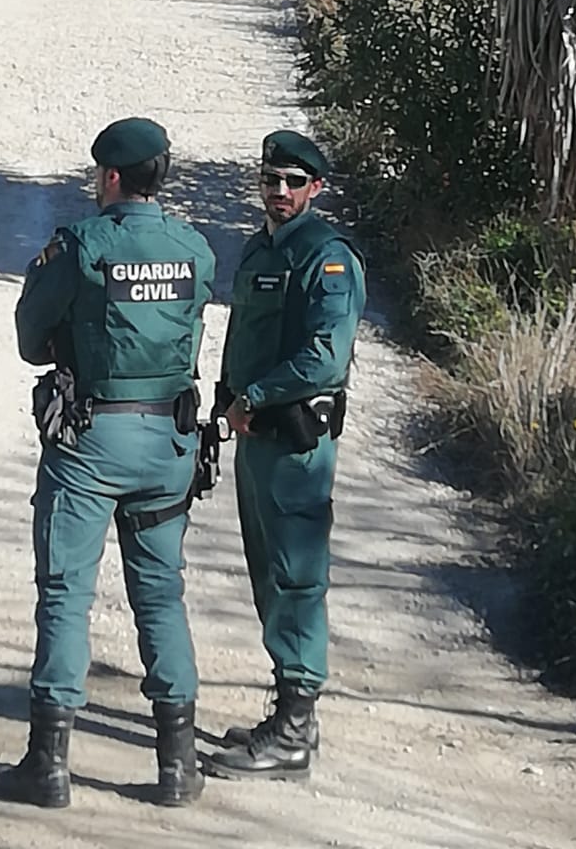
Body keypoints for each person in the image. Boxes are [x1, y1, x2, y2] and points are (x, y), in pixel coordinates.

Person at [0, 118, 217, 810]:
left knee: (66, 594)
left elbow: (31, 339)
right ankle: (177, 765)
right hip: (169, 441)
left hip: (92, 443)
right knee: (161, 595)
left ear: (111, 176)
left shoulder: (82, 246)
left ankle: (49, 766)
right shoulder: (193, 247)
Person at [206, 130, 366, 781]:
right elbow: (243, 335)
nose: (279, 191)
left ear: (315, 189)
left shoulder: (327, 258)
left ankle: (295, 731)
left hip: (296, 445)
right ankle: (290, 711)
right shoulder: (260, 249)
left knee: (297, 578)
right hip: (255, 438)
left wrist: (255, 395)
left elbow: (326, 355)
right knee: (268, 576)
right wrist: (227, 398)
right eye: (271, 180)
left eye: (293, 182)